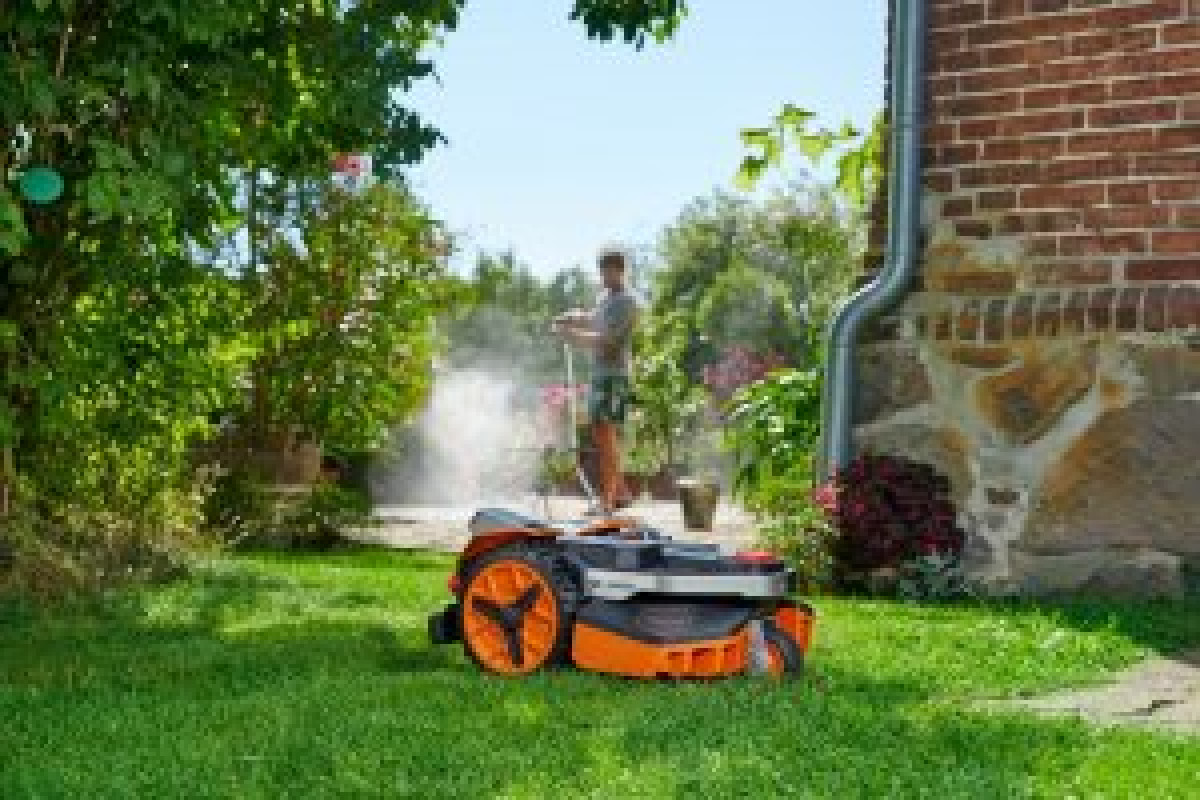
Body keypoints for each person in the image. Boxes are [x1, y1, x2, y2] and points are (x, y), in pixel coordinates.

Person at [553, 247, 639, 514]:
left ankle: (608, 501)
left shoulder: (627, 302)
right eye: (601, 272)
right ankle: (621, 493)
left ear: (620, 271)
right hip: (600, 374)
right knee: (601, 435)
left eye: (608, 272)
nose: (603, 277)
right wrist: (573, 318)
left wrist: (573, 337)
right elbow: (595, 320)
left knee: (605, 434)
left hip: (614, 375)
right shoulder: (606, 299)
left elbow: (610, 340)